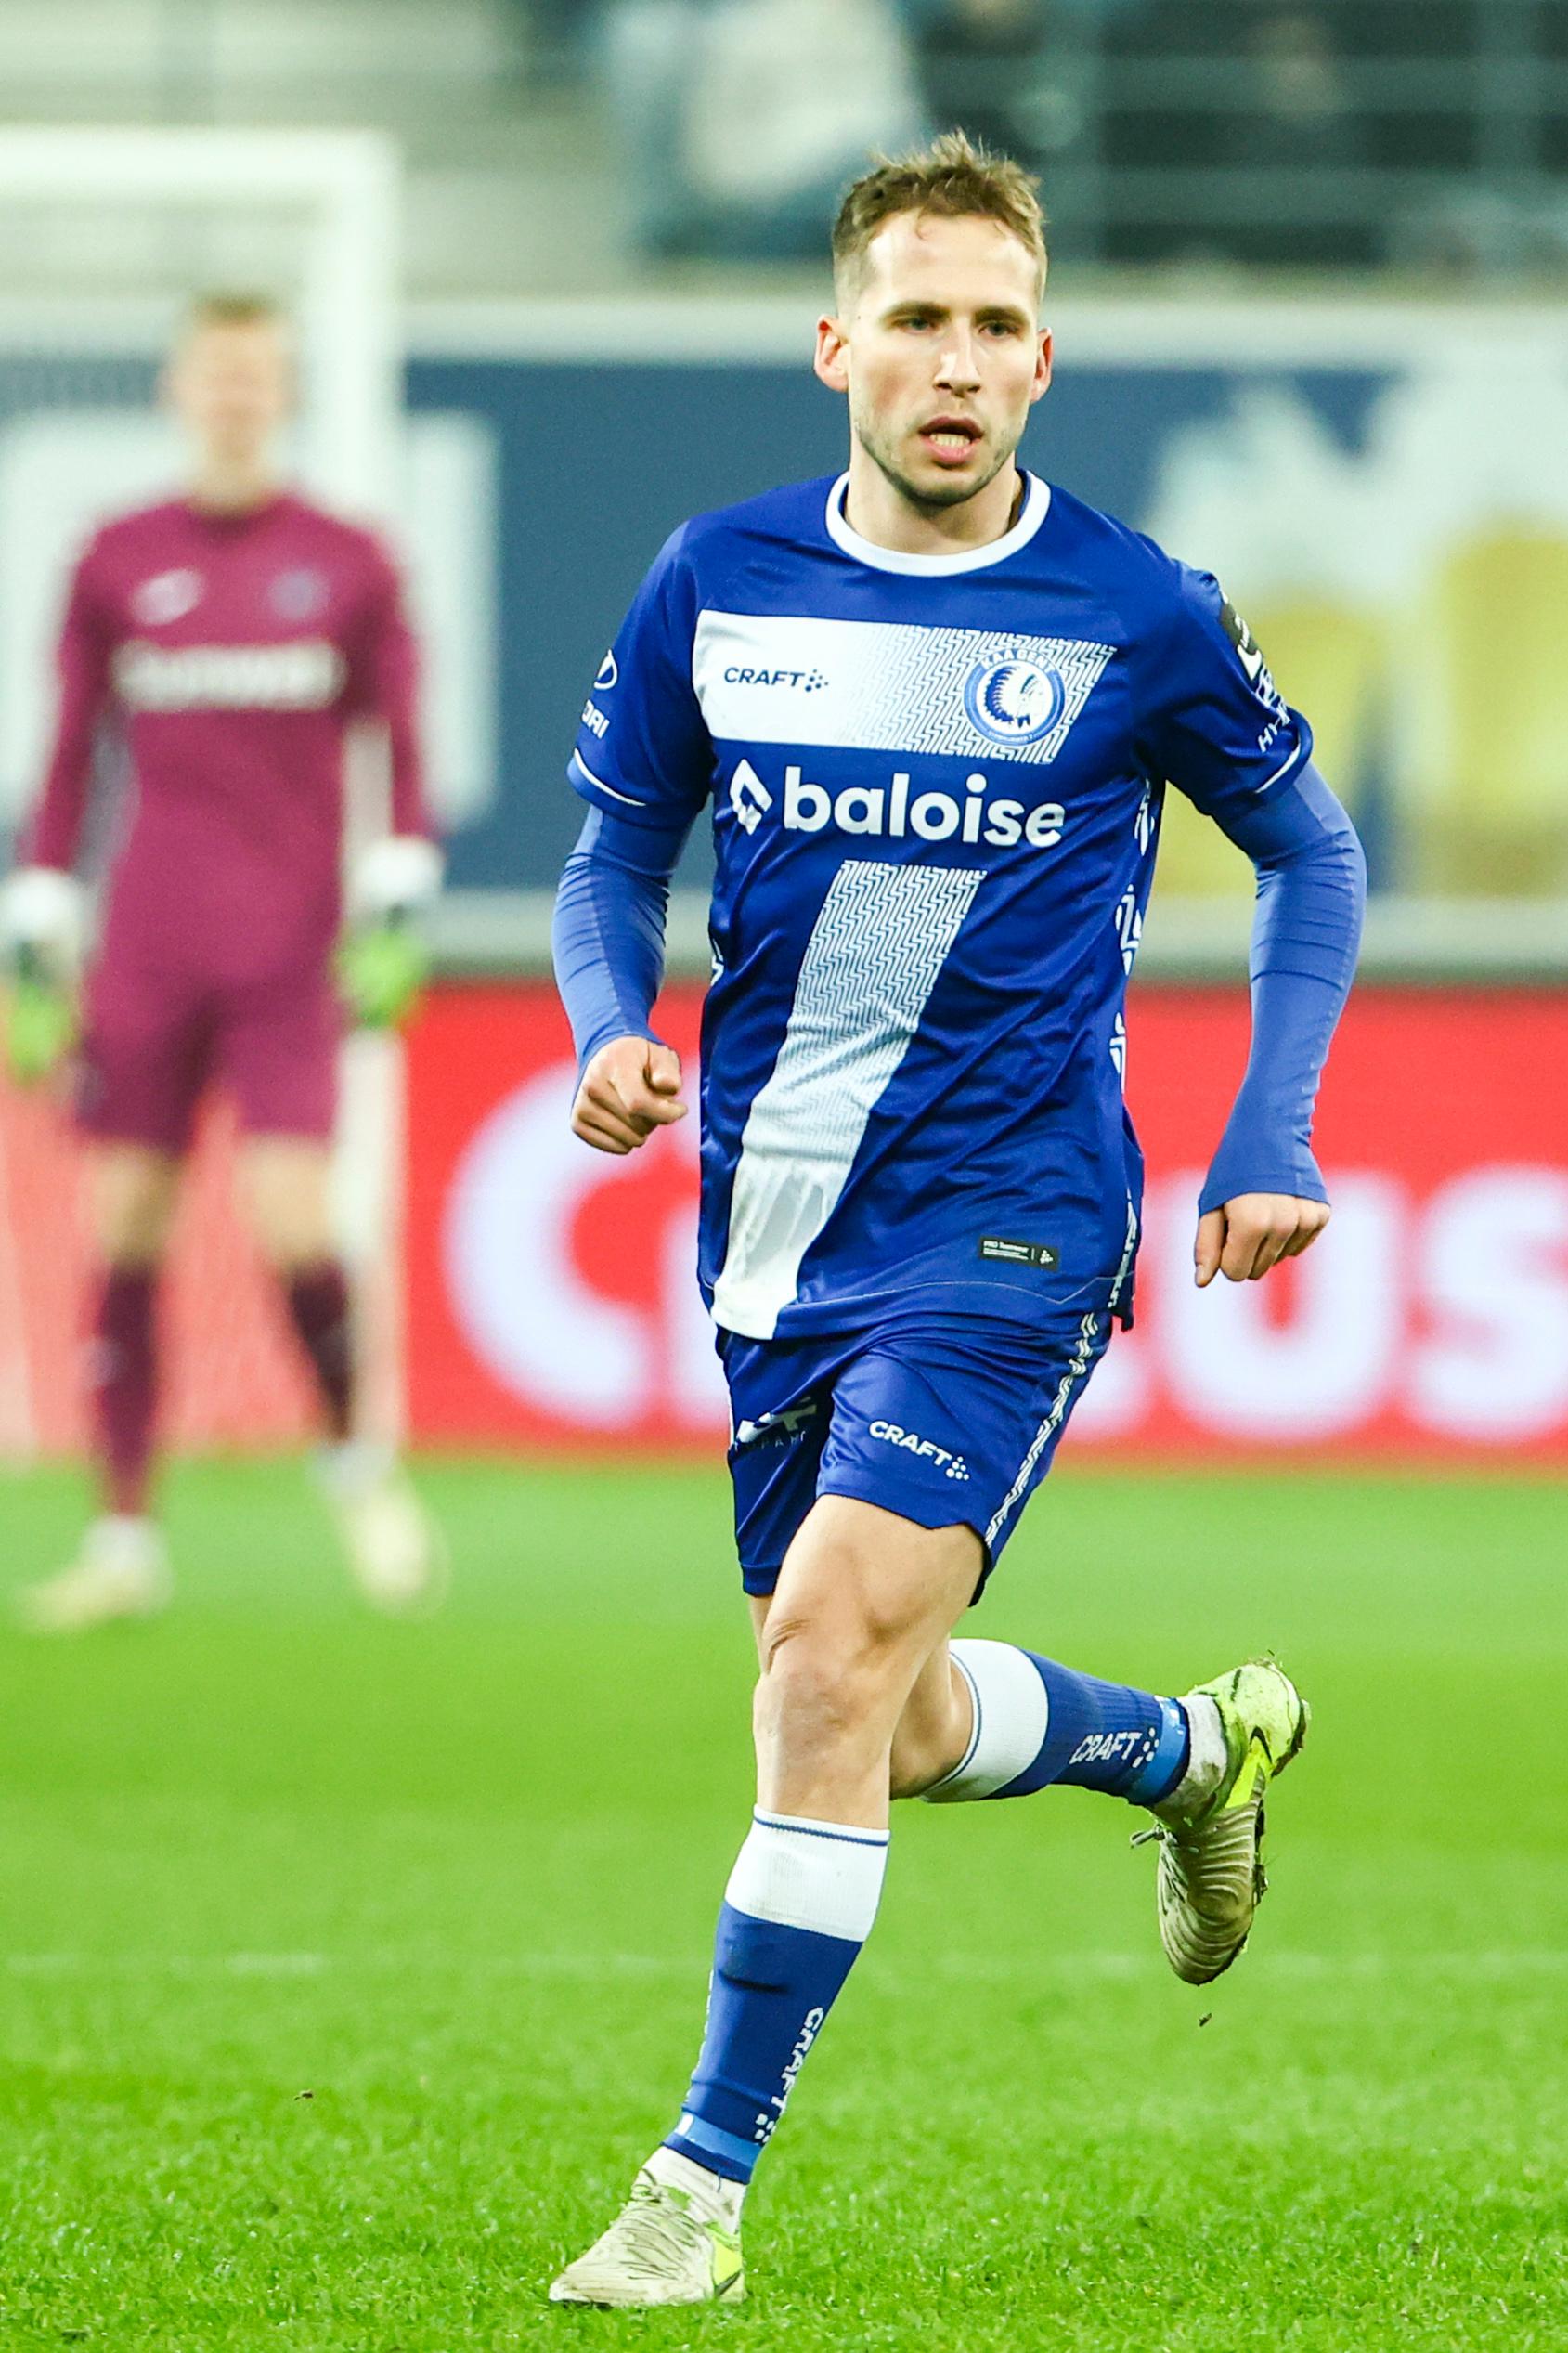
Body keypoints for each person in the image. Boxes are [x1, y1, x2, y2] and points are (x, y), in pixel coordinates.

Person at [548, 131, 1364, 2307]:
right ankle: (1193, 1753)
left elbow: (1315, 855)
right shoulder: (713, 577)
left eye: (995, 324)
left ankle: (694, 2193)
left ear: (1041, 361)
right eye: (914, 315)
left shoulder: (1134, 609)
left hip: (1010, 1224)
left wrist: (1263, 1130)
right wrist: (610, 1022)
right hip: (774, 1233)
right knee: (879, 1720)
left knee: (818, 1665)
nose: (954, 359)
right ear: (835, 345)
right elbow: (609, 851)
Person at [0, 292, 444, 1632]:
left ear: (285, 391)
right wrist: (36, 925)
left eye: (260, 375)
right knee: (122, 1225)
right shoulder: (117, 558)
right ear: (179, 389)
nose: (237, 396)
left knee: (290, 1216)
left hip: (286, 954)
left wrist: (398, 902)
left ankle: (357, 1462)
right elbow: (73, 753)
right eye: (218, 374)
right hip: (145, 946)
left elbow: (401, 751)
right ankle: (125, 1535)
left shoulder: (348, 561)